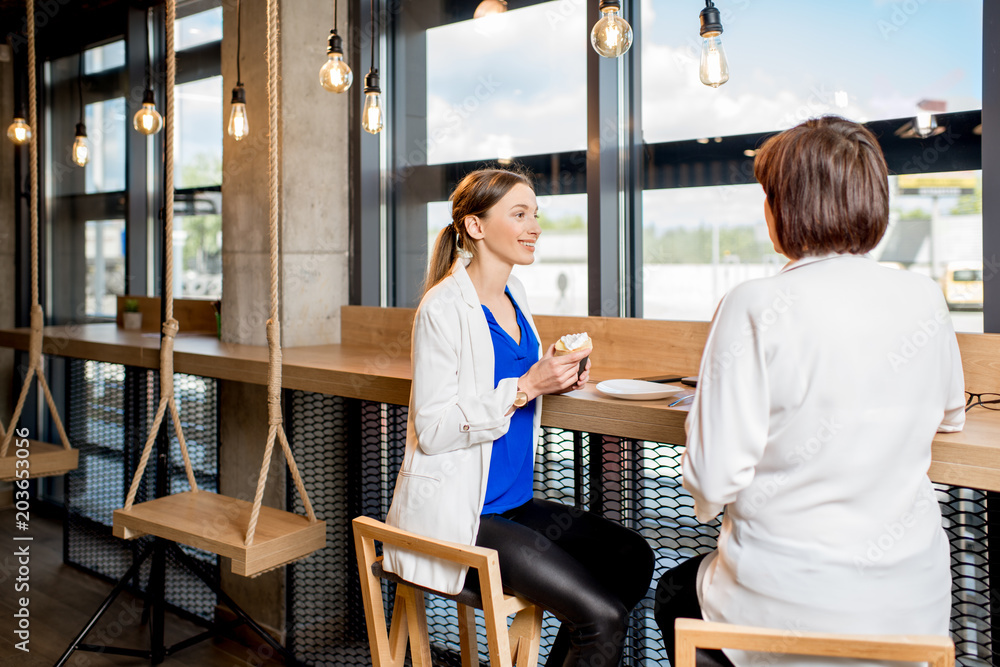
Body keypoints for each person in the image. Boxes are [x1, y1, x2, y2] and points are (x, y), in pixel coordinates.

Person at [653, 116, 966, 667]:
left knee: (674, 591)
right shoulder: (925, 298)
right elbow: (951, 417)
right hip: (910, 616)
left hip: (783, 608)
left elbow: (712, 481)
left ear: (785, 207)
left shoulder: (752, 303)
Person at [383, 168, 654, 667]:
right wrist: (527, 385)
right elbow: (437, 429)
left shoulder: (517, 295)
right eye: (519, 214)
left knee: (631, 557)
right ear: (476, 227)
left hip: (513, 502)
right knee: (604, 620)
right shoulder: (442, 308)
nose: (534, 227)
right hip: (464, 514)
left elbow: (510, 380)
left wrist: (555, 375)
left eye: (536, 214)